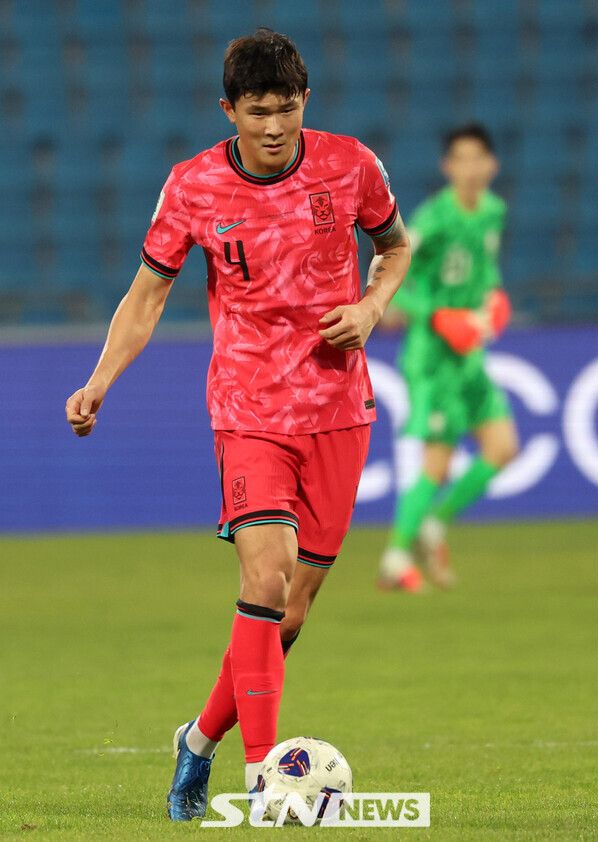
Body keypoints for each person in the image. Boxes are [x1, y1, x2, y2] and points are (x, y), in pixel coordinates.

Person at [65, 29, 410, 821]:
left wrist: (370, 305)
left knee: (288, 612)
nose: (274, 126)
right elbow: (147, 294)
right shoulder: (191, 187)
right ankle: (266, 779)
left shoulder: (351, 165)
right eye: (258, 112)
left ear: (305, 103)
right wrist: (100, 380)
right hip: (249, 407)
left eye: (287, 109)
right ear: (230, 110)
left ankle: (196, 740)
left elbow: (395, 249)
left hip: (337, 409)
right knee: (263, 578)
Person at [378, 124, 518, 593]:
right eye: (461, 158)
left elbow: (486, 269)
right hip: (434, 358)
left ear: (491, 165)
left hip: (469, 353)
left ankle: (435, 525)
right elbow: (389, 272)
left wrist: (495, 299)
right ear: (448, 167)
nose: (471, 167)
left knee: (502, 447)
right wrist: (435, 316)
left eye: (478, 157)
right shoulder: (434, 218)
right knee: (436, 462)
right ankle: (396, 559)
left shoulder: (493, 211)